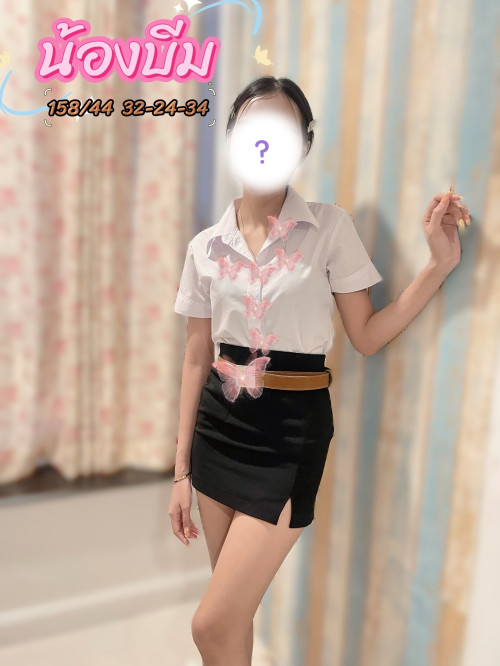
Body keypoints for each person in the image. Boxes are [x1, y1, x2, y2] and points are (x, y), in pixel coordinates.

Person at [169, 76, 470, 666]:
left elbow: (366, 336)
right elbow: (196, 356)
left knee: (210, 624)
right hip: (217, 429)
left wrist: (438, 266)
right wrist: (180, 470)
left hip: (291, 433)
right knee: (233, 621)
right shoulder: (205, 246)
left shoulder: (329, 228)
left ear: (302, 145)